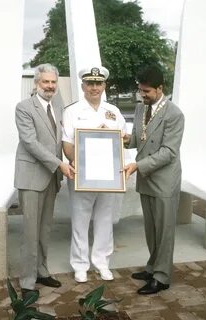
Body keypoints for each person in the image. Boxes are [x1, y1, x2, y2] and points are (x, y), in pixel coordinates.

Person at [14, 63, 75, 298]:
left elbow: (62, 141)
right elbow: (30, 143)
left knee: (44, 228)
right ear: (36, 84)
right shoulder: (24, 108)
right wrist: (59, 164)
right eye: (45, 82)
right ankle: (28, 282)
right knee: (30, 231)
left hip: (50, 177)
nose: (50, 86)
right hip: (31, 178)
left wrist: (73, 159)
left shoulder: (57, 108)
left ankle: (41, 270)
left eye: (53, 82)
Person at [62, 66, 127, 283]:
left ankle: (102, 263)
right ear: (83, 86)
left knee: (105, 220)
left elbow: (122, 141)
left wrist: (116, 138)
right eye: (90, 83)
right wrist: (75, 162)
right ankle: (80, 265)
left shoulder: (113, 112)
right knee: (80, 221)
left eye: (98, 83)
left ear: (104, 86)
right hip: (82, 175)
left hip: (108, 176)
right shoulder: (72, 111)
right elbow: (67, 144)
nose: (94, 87)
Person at [124, 65, 184, 295]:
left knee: (164, 230)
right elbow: (142, 138)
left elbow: (169, 152)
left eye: (147, 91)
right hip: (146, 179)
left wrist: (137, 166)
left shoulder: (175, 114)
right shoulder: (141, 109)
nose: (142, 95)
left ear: (160, 88)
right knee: (151, 229)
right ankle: (152, 267)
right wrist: (120, 138)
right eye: (140, 90)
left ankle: (162, 276)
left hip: (164, 181)